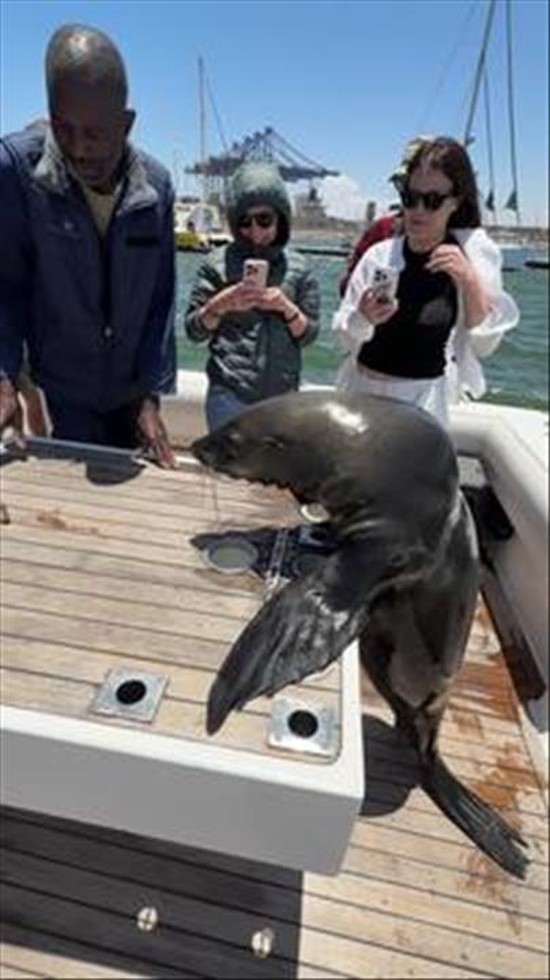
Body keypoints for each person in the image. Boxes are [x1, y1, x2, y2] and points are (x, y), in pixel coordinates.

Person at [0, 25, 177, 466]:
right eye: (64, 128)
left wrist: (150, 394)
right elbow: (5, 288)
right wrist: (3, 374)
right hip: (62, 387)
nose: (78, 149)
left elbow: (160, 302)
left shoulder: (158, 188)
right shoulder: (14, 172)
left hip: (130, 392)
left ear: (126, 124)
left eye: (96, 133)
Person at [332, 136, 519, 426]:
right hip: (361, 393)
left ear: (456, 201)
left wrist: (469, 281)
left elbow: (484, 346)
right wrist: (362, 317)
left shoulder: (471, 260)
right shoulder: (379, 256)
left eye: (432, 201)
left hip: (423, 402)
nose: (417, 210)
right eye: (410, 198)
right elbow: (343, 338)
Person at [184, 161, 320, 431]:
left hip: (282, 399)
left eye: (264, 220)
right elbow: (193, 331)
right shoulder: (215, 264)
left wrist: (286, 308)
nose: (255, 231)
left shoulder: (300, 267)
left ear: (280, 218)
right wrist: (219, 305)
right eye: (245, 222)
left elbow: (309, 335)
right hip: (229, 394)